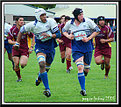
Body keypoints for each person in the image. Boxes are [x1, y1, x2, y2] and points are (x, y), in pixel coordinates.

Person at [15, 8, 61, 97]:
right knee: (42, 64)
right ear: (38, 17)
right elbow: (21, 31)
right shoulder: (32, 25)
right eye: (42, 15)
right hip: (40, 47)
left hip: (51, 47)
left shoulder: (51, 21)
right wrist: (17, 42)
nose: (45, 17)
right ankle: (47, 89)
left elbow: (59, 34)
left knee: (46, 68)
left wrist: (50, 35)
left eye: (45, 14)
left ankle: (40, 76)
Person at [62, 8, 100, 96]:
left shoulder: (88, 21)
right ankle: (83, 89)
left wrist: (89, 38)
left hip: (88, 48)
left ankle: (84, 74)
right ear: (75, 16)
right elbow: (63, 31)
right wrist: (68, 36)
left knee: (86, 69)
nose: (82, 16)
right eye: (80, 15)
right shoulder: (70, 23)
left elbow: (97, 30)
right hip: (76, 48)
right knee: (80, 67)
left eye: (82, 14)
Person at [7, 16, 35, 82]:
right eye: (20, 20)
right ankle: (19, 78)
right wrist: (15, 43)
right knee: (16, 64)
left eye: (23, 20)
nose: (22, 21)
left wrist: (31, 47)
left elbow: (34, 36)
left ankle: (22, 65)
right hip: (15, 49)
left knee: (23, 64)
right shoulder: (12, 30)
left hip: (24, 49)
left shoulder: (26, 29)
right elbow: (9, 40)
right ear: (16, 21)